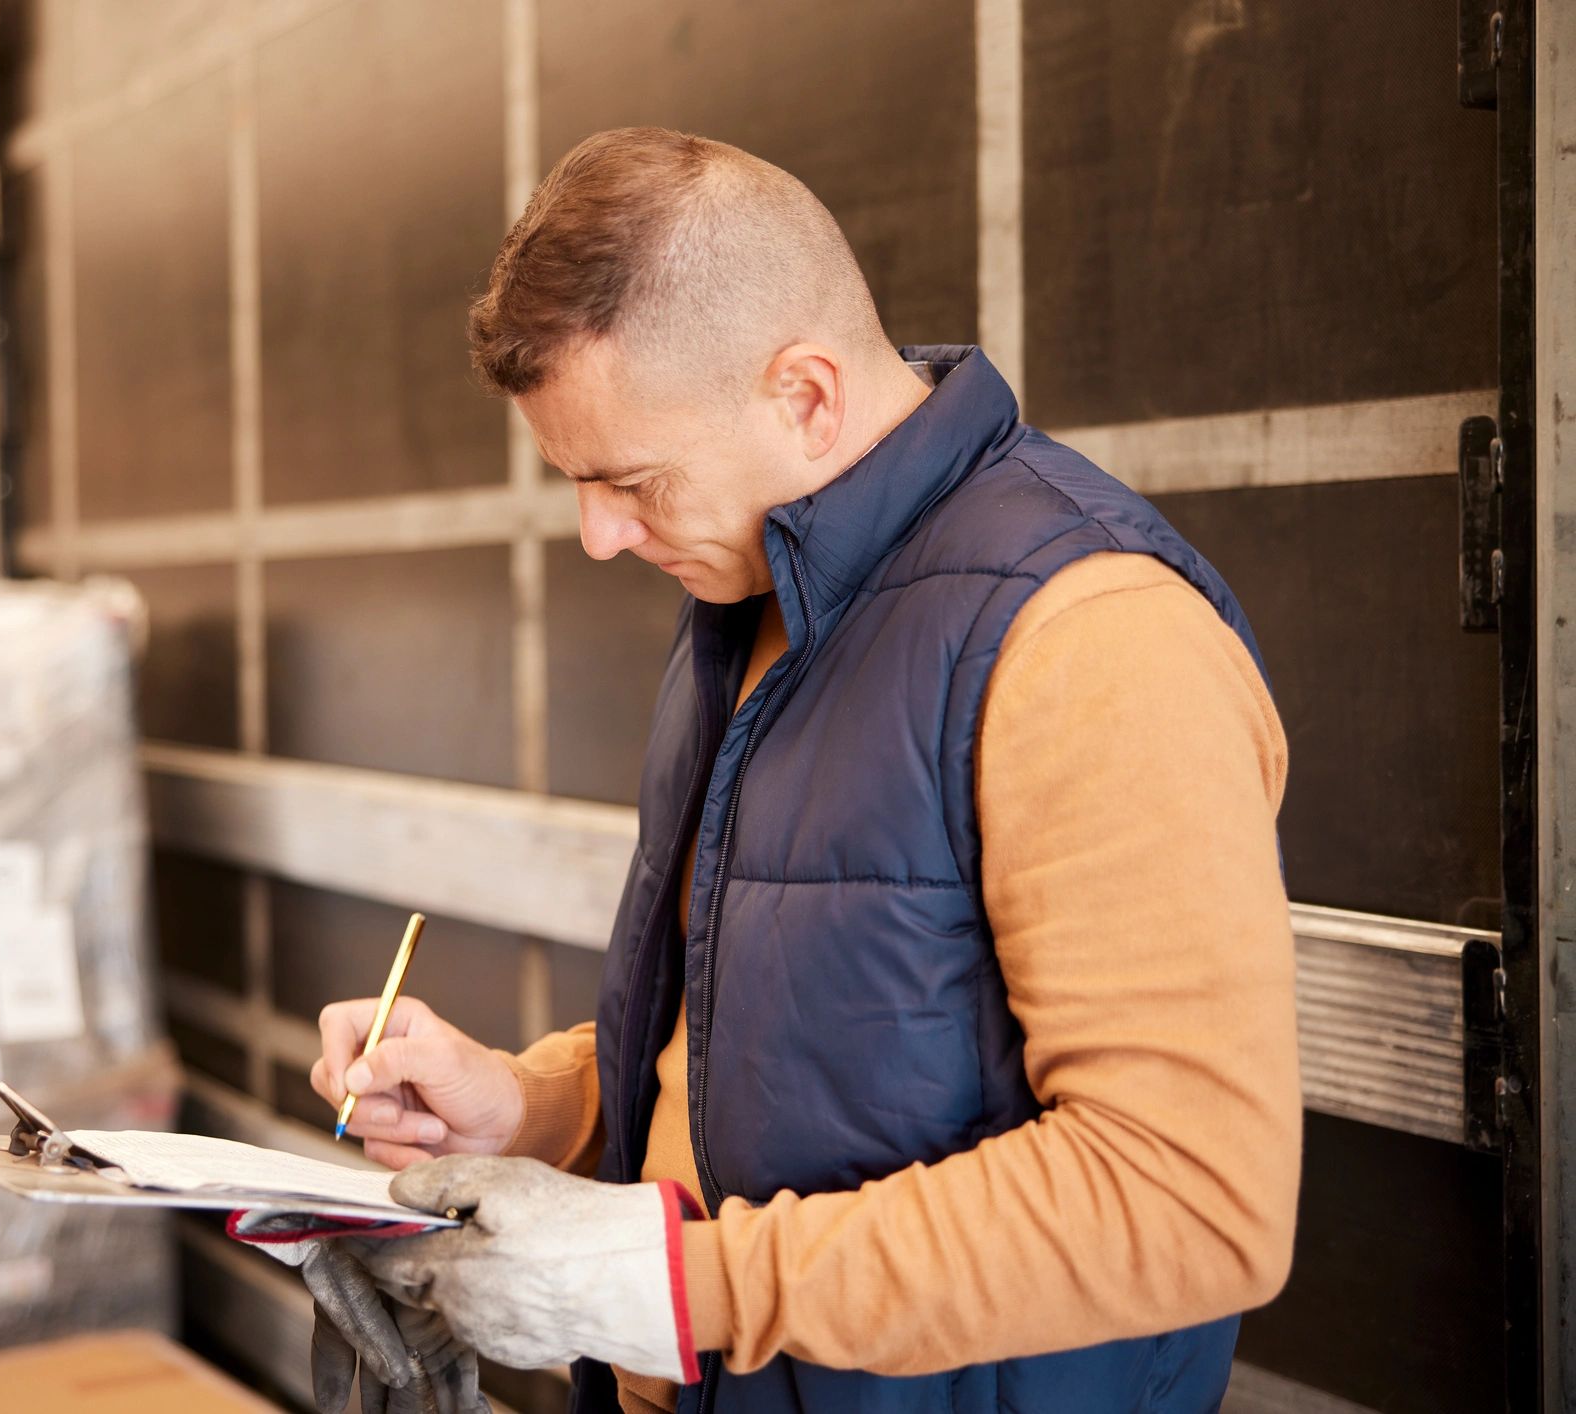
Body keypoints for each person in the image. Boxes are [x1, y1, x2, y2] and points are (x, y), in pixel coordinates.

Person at [259, 125, 1301, 1414]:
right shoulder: (764, 601)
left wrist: (682, 1290)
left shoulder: (1089, 638)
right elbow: (794, 1042)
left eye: (630, 481)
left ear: (805, 395)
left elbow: (1189, 1198)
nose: (597, 535)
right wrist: (529, 1109)